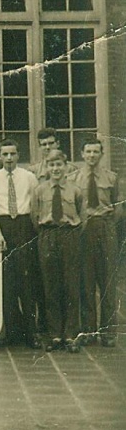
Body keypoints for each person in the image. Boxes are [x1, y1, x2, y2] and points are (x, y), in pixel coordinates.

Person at [0, 139, 42, 349]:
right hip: (4, 226)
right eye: (5, 154)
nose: (9, 158)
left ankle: (31, 332)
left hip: (24, 225)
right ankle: (12, 332)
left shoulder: (29, 177)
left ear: (18, 155)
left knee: (26, 281)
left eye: (12, 154)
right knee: (6, 282)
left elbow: (35, 205)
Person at [69, 138, 121, 347]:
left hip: (105, 227)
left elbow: (118, 208)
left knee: (107, 280)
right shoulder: (74, 178)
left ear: (101, 154)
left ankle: (108, 333)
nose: (91, 155)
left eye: (95, 152)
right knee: (86, 281)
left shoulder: (111, 177)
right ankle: (89, 330)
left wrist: (107, 226)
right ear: (82, 154)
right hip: (84, 229)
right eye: (88, 151)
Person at [32, 150, 83, 352]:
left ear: (65, 166)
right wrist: (47, 234)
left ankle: (70, 334)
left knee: (71, 285)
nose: (55, 169)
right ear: (47, 167)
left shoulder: (75, 190)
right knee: (51, 285)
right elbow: (34, 217)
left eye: (59, 164)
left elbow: (83, 216)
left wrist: (69, 233)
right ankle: (54, 334)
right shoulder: (40, 190)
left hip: (69, 235)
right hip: (48, 235)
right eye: (51, 165)